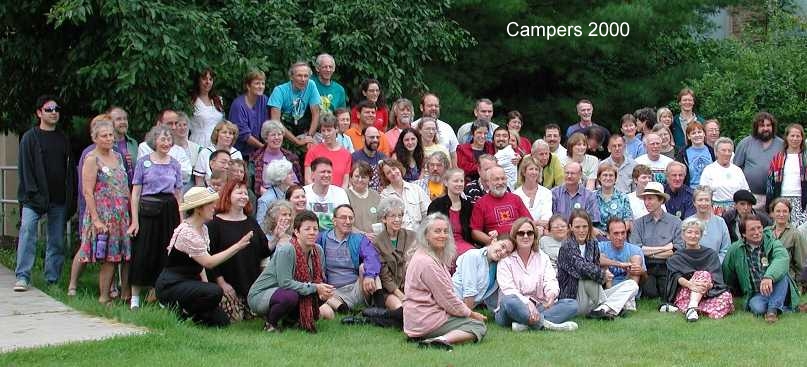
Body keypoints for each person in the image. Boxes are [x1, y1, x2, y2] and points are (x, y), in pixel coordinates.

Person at [155, 187, 252, 326]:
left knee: (221, 321)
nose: (214, 207)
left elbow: (200, 265)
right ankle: (178, 311)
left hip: (189, 284)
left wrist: (205, 288)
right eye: (210, 204)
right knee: (215, 291)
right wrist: (238, 246)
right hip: (171, 285)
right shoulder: (187, 233)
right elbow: (208, 262)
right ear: (198, 209)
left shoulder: (203, 229)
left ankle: (191, 314)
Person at [403, 213, 487, 350]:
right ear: (426, 235)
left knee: (469, 321)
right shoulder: (427, 262)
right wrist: (471, 314)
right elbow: (447, 300)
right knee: (477, 325)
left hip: (421, 318)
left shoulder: (427, 254)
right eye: (437, 231)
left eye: (445, 231)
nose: (442, 235)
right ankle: (439, 340)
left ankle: (434, 338)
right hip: (425, 320)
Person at [75, 118, 131, 304]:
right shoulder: (92, 159)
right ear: (95, 138)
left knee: (121, 256)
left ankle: (124, 294)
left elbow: (125, 186)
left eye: (111, 135)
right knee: (108, 257)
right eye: (104, 136)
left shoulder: (119, 156)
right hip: (103, 215)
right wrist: (96, 220)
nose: (109, 139)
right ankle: (103, 297)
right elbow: (87, 192)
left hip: (121, 215)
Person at [248, 210, 333, 332]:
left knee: (320, 291)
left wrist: (323, 291)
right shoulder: (287, 250)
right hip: (262, 294)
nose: (312, 233)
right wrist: (315, 287)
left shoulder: (318, 250)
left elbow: (319, 279)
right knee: (291, 295)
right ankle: (270, 324)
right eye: (307, 229)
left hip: (287, 291)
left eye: (315, 229)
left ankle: (292, 321)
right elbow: (285, 283)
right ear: (296, 232)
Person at [128, 125, 183, 309]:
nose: (166, 143)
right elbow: (135, 193)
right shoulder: (143, 162)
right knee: (143, 252)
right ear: (154, 141)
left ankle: (161, 296)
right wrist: (134, 220)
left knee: (165, 253)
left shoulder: (175, 163)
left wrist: (182, 221)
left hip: (169, 211)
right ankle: (135, 297)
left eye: (168, 140)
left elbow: (178, 193)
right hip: (148, 210)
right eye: (162, 139)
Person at [495, 218, 579, 332]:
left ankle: (526, 324)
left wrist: (551, 294)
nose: (526, 236)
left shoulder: (542, 257)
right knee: (509, 300)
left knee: (572, 304)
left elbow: (550, 280)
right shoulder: (506, 260)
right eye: (521, 233)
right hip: (513, 309)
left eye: (530, 233)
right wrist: (527, 303)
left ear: (534, 236)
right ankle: (547, 325)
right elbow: (508, 289)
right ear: (514, 236)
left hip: (539, 305)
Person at [207, 180, 270, 322]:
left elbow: (264, 251)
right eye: (239, 192)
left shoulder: (251, 221)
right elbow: (209, 257)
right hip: (226, 284)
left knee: (256, 318)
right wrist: (221, 283)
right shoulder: (214, 224)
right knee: (235, 319)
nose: (243, 196)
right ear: (228, 195)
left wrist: (277, 237)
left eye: (245, 193)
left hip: (250, 284)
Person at [557, 210, 639, 319]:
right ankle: (613, 308)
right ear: (571, 227)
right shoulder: (566, 246)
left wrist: (606, 271)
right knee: (588, 277)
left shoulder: (592, 243)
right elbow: (582, 268)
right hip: (573, 299)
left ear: (589, 227)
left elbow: (596, 265)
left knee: (632, 285)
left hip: (593, 298)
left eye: (585, 226)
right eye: (577, 227)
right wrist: (602, 274)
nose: (581, 230)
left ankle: (603, 309)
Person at [722, 214, 802, 322]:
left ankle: (772, 311)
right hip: (757, 293)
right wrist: (730, 292)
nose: (757, 232)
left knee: (783, 275)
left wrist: (769, 277)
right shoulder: (735, 249)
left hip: (777, 286)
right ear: (744, 234)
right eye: (752, 229)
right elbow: (728, 272)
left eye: (759, 228)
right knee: (757, 309)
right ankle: (791, 308)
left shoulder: (773, 242)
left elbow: (782, 259)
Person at [316, 205, 382, 317]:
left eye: (351, 218)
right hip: (334, 292)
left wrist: (369, 275)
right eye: (343, 217)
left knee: (366, 269)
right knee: (318, 291)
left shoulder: (359, 239)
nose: (348, 221)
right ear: (334, 221)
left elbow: (372, 257)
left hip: (357, 289)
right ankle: (345, 310)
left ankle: (381, 309)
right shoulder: (322, 239)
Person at [665, 218, 734, 321]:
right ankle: (693, 307)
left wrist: (707, 285)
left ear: (701, 236)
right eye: (689, 232)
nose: (693, 236)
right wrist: (690, 284)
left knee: (726, 297)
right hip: (686, 291)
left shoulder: (710, 254)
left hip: (708, 291)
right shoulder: (676, 257)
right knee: (703, 274)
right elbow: (675, 277)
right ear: (683, 235)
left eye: (697, 233)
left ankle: (687, 309)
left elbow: (716, 277)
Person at [361, 198, 415, 328]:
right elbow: (384, 276)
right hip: (390, 290)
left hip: (411, 288)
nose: (397, 219)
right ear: (384, 219)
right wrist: (401, 295)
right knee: (403, 311)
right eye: (392, 216)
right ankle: (374, 316)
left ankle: (372, 318)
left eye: (400, 215)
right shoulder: (377, 242)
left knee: (413, 313)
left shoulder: (412, 236)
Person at [629, 182, 683, 302]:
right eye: (645, 199)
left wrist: (648, 250)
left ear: (661, 200)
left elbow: (676, 249)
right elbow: (636, 249)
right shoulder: (639, 223)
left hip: (668, 265)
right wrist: (664, 248)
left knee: (666, 292)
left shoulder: (675, 222)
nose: (647, 202)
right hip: (647, 266)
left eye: (650, 199)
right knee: (650, 292)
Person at [471, 166, 532, 246]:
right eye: (496, 179)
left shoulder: (515, 199)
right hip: (497, 243)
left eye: (503, 179)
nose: (500, 182)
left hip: (519, 240)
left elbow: (529, 221)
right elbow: (475, 232)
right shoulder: (480, 203)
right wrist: (491, 241)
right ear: (488, 182)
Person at [735, 112, 785, 210]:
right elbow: (735, 169)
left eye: (768, 125)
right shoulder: (745, 143)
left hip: (775, 197)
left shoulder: (782, 145)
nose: (765, 128)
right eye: (762, 126)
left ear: (773, 127)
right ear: (756, 127)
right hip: (750, 197)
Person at [453, 236, 515, 310]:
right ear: (494, 241)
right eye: (502, 246)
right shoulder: (473, 255)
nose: (503, 252)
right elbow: (469, 290)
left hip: (464, 307)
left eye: (507, 253)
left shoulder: (497, 266)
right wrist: (469, 315)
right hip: (451, 300)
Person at [269, 61, 321, 147]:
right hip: (283, 132)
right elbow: (276, 122)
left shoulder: (311, 85)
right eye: (299, 75)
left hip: (304, 129)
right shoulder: (279, 91)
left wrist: (309, 137)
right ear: (292, 77)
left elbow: (316, 114)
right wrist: (297, 141)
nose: (303, 79)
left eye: (306, 76)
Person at [137, 109, 192, 189]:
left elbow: (186, 174)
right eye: (170, 123)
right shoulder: (145, 147)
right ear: (159, 124)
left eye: (176, 123)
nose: (174, 127)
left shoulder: (180, 151)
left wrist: (159, 169)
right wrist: (172, 171)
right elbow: (146, 173)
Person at [428, 168, 477, 256]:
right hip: (444, 246)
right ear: (446, 183)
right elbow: (430, 231)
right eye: (455, 181)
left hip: (466, 246)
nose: (459, 184)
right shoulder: (436, 205)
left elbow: (472, 231)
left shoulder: (467, 205)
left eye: (461, 181)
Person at [767, 123, 807, 227]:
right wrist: (770, 207)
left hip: (802, 201)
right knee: (782, 231)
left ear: (802, 138)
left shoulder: (805, 158)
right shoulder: (778, 158)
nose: (795, 139)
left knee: (800, 233)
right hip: (782, 199)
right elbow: (770, 184)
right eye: (792, 136)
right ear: (787, 137)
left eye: (798, 136)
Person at [251, 120, 302, 195]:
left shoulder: (291, 157)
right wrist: (272, 196)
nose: (277, 137)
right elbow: (256, 186)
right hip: (267, 197)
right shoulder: (256, 158)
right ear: (266, 138)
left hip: (288, 195)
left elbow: (297, 183)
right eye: (273, 135)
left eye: (279, 134)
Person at [700, 137, 750, 214]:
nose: (727, 153)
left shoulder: (737, 170)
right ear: (716, 152)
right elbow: (703, 193)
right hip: (716, 211)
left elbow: (746, 191)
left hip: (737, 211)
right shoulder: (709, 170)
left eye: (729, 151)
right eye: (723, 150)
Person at [766, 198, 807, 289]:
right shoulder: (766, 232)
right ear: (772, 213)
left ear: (789, 214)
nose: (781, 214)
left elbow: (800, 263)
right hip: (767, 275)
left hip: (786, 277)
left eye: (785, 211)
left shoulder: (795, 234)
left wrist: (797, 285)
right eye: (778, 211)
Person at [379, 159, 430, 231]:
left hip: (419, 235)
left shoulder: (416, 189)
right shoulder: (385, 195)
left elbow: (427, 213)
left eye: (394, 169)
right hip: (398, 237)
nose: (393, 173)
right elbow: (385, 222)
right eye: (388, 173)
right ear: (385, 177)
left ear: (399, 168)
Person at [304, 114, 351, 187]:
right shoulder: (313, 151)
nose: (326, 134)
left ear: (337, 129)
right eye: (323, 130)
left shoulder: (346, 154)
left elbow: (345, 182)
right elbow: (307, 179)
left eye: (329, 130)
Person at [598, 218, 645, 292]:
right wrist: (620, 264)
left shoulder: (636, 250)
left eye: (623, 233)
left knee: (636, 259)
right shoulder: (601, 246)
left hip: (628, 285)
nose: (620, 237)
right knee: (602, 256)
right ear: (608, 235)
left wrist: (641, 272)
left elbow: (645, 278)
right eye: (616, 233)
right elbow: (596, 259)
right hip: (607, 284)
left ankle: (629, 295)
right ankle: (610, 293)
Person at [303, 157, 350, 230]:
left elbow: (346, 219)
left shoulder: (340, 193)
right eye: (322, 172)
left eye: (329, 172)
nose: (326, 175)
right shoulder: (304, 192)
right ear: (312, 174)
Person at [229, 69, 268, 155]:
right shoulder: (238, 105)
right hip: (239, 152)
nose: (261, 86)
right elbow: (244, 135)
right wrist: (265, 148)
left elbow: (267, 125)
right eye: (257, 83)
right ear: (248, 86)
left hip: (257, 151)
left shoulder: (264, 100)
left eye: (263, 83)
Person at [412, 93, 460, 164]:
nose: (434, 108)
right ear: (422, 107)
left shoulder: (447, 128)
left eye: (436, 106)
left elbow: (454, 155)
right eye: (430, 106)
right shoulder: (413, 127)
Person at [687, 186, 731, 262]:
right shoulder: (687, 223)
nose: (703, 203)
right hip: (692, 267)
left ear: (711, 202)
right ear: (694, 202)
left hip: (716, 267)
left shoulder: (720, 222)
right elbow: (683, 249)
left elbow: (726, 250)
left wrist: (714, 265)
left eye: (707, 200)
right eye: (700, 200)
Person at [194, 120, 243, 186]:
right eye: (224, 132)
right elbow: (199, 180)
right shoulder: (205, 153)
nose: (228, 136)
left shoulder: (237, 154)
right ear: (217, 134)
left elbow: (239, 179)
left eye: (230, 133)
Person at [255, 159, 295, 235]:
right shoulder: (266, 200)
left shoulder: (288, 193)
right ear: (281, 177)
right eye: (289, 173)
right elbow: (260, 227)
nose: (293, 175)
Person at [189, 67, 225, 147]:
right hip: (198, 142)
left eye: (210, 79)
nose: (207, 82)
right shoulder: (192, 101)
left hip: (217, 141)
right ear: (198, 81)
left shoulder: (218, 100)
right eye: (204, 79)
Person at [513, 156, 552, 227]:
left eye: (536, 169)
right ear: (524, 172)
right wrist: (536, 223)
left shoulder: (546, 192)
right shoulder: (515, 195)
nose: (534, 172)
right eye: (531, 169)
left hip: (542, 231)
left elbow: (547, 217)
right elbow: (517, 222)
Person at [594, 164, 633, 235]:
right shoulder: (592, 197)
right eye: (605, 175)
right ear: (599, 178)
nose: (608, 178)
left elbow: (627, 222)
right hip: (597, 237)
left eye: (611, 175)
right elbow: (587, 221)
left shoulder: (623, 197)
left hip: (618, 236)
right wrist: (604, 235)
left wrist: (614, 235)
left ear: (615, 179)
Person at [346, 161, 381, 239]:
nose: (360, 180)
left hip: (374, 241)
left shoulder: (376, 196)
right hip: (353, 240)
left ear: (369, 179)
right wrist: (364, 234)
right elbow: (344, 222)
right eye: (357, 176)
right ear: (351, 177)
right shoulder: (345, 194)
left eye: (364, 177)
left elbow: (381, 220)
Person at [676, 122, 714, 186]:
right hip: (691, 190)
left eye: (699, 132)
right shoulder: (683, 153)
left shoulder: (712, 151)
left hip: (709, 189)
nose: (697, 135)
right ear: (688, 136)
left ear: (704, 134)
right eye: (693, 133)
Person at [351, 125, 387, 191]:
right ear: (363, 138)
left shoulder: (383, 158)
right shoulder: (354, 157)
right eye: (372, 137)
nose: (375, 140)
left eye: (377, 137)